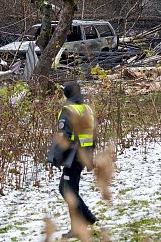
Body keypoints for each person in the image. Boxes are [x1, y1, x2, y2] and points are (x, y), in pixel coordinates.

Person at [55, 81, 98, 236]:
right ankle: (88, 217)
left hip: (72, 156)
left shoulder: (68, 110)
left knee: (69, 191)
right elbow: (93, 134)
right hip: (84, 154)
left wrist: (57, 157)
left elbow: (64, 136)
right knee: (64, 188)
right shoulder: (87, 109)